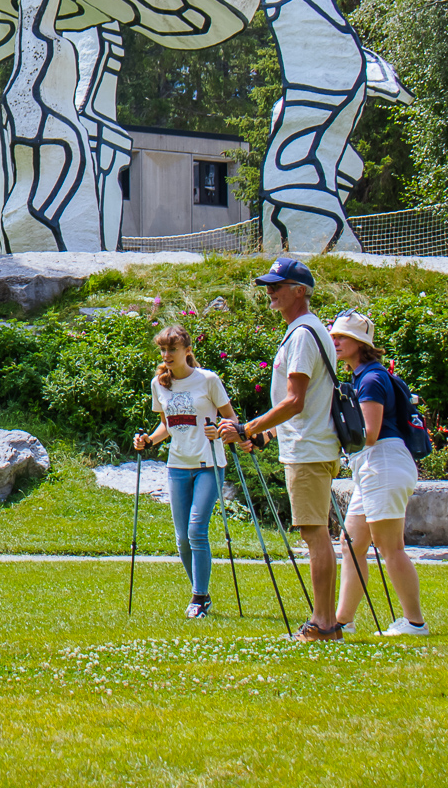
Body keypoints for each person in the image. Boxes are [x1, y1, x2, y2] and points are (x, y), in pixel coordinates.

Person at [222, 256, 340, 642]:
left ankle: (323, 624)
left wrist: (248, 427)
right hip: (308, 445)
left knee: (315, 534)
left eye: (277, 285)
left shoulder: (304, 333)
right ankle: (324, 621)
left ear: (300, 291)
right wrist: (265, 436)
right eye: (269, 285)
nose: (270, 291)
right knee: (315, 532)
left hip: (309, 450)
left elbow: (295, 402)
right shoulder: (304, 330)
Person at [327, 311, 427, 637]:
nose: (336, 341)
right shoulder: (363, 376)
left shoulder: (370, 379)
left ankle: (415, 623)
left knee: (390, 547)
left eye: (343, 336)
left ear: (361, 343)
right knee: (351, 543)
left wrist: (332, 435)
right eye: (334, 335)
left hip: (381, 463)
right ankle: (343, 621)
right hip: (372, 467)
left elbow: (368, 433)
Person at [133, 324, 235, 618]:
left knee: (196, 530)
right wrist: (148, 440)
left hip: (209, 464)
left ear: (187, 351)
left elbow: (231, 420)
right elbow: (168, 424)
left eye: (172, 349)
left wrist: (222, 432)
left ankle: (198, 597)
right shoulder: (159, 384)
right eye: (163, 349)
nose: (166, 355)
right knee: (181, 538)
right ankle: (201, 595)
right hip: (177, 465)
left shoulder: (208, 380)